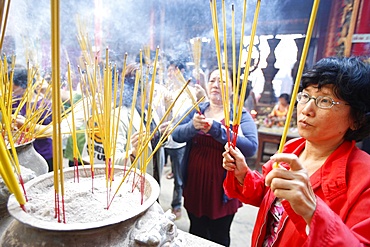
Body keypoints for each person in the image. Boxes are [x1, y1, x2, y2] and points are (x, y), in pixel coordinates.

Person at [222, 56, 370, 246]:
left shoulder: (364, 181)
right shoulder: (293, 149)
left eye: (325, 100)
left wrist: (312, 212)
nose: (307, 109)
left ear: (356, 119)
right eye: (305, 96)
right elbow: (270, 197)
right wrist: (243, 174)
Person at [172, 67, 258, 246]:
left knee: (219, 235)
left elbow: (251, 147)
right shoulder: (196, 110)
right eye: (212, 80)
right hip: (195, 183)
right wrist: (192, 127)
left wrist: (217, 129)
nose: (216, 85)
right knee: (196, 231)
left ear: (233, 89)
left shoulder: (239, 115)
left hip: (223, 188)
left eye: (223, 81)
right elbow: (176, 134)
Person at [12, 67, 54, 172]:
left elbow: (50, 131)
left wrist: (28, 126)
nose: (11, 88)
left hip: (43, 152)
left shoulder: (45, 105)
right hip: (23, 153)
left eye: (13, 84)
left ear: (23, 85)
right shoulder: (15, 101)